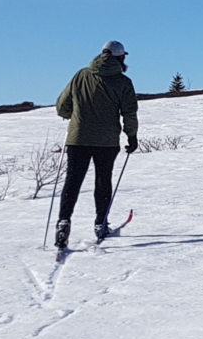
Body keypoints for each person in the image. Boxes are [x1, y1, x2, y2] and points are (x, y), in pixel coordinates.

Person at [54, 40, 139, 248]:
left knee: (72, 181)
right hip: (107, 141)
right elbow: (129, 112)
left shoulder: (81, 75)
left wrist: (74, 119)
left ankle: (63, 221)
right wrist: (132, 136)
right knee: (103, 181)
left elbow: (61, 106)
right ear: (120, 58)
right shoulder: (123, 82)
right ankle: (100, 223)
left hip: (78, 139)